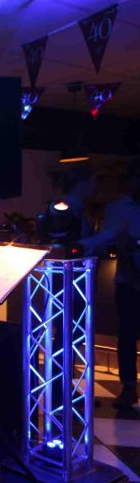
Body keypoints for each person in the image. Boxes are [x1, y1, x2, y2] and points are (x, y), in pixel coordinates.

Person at [103, 158, 140, 409]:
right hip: (127, 279)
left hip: (128, 277)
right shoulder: (118, 208)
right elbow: (112, 241)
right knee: (127, 334)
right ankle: (128, 387)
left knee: (127, 333)